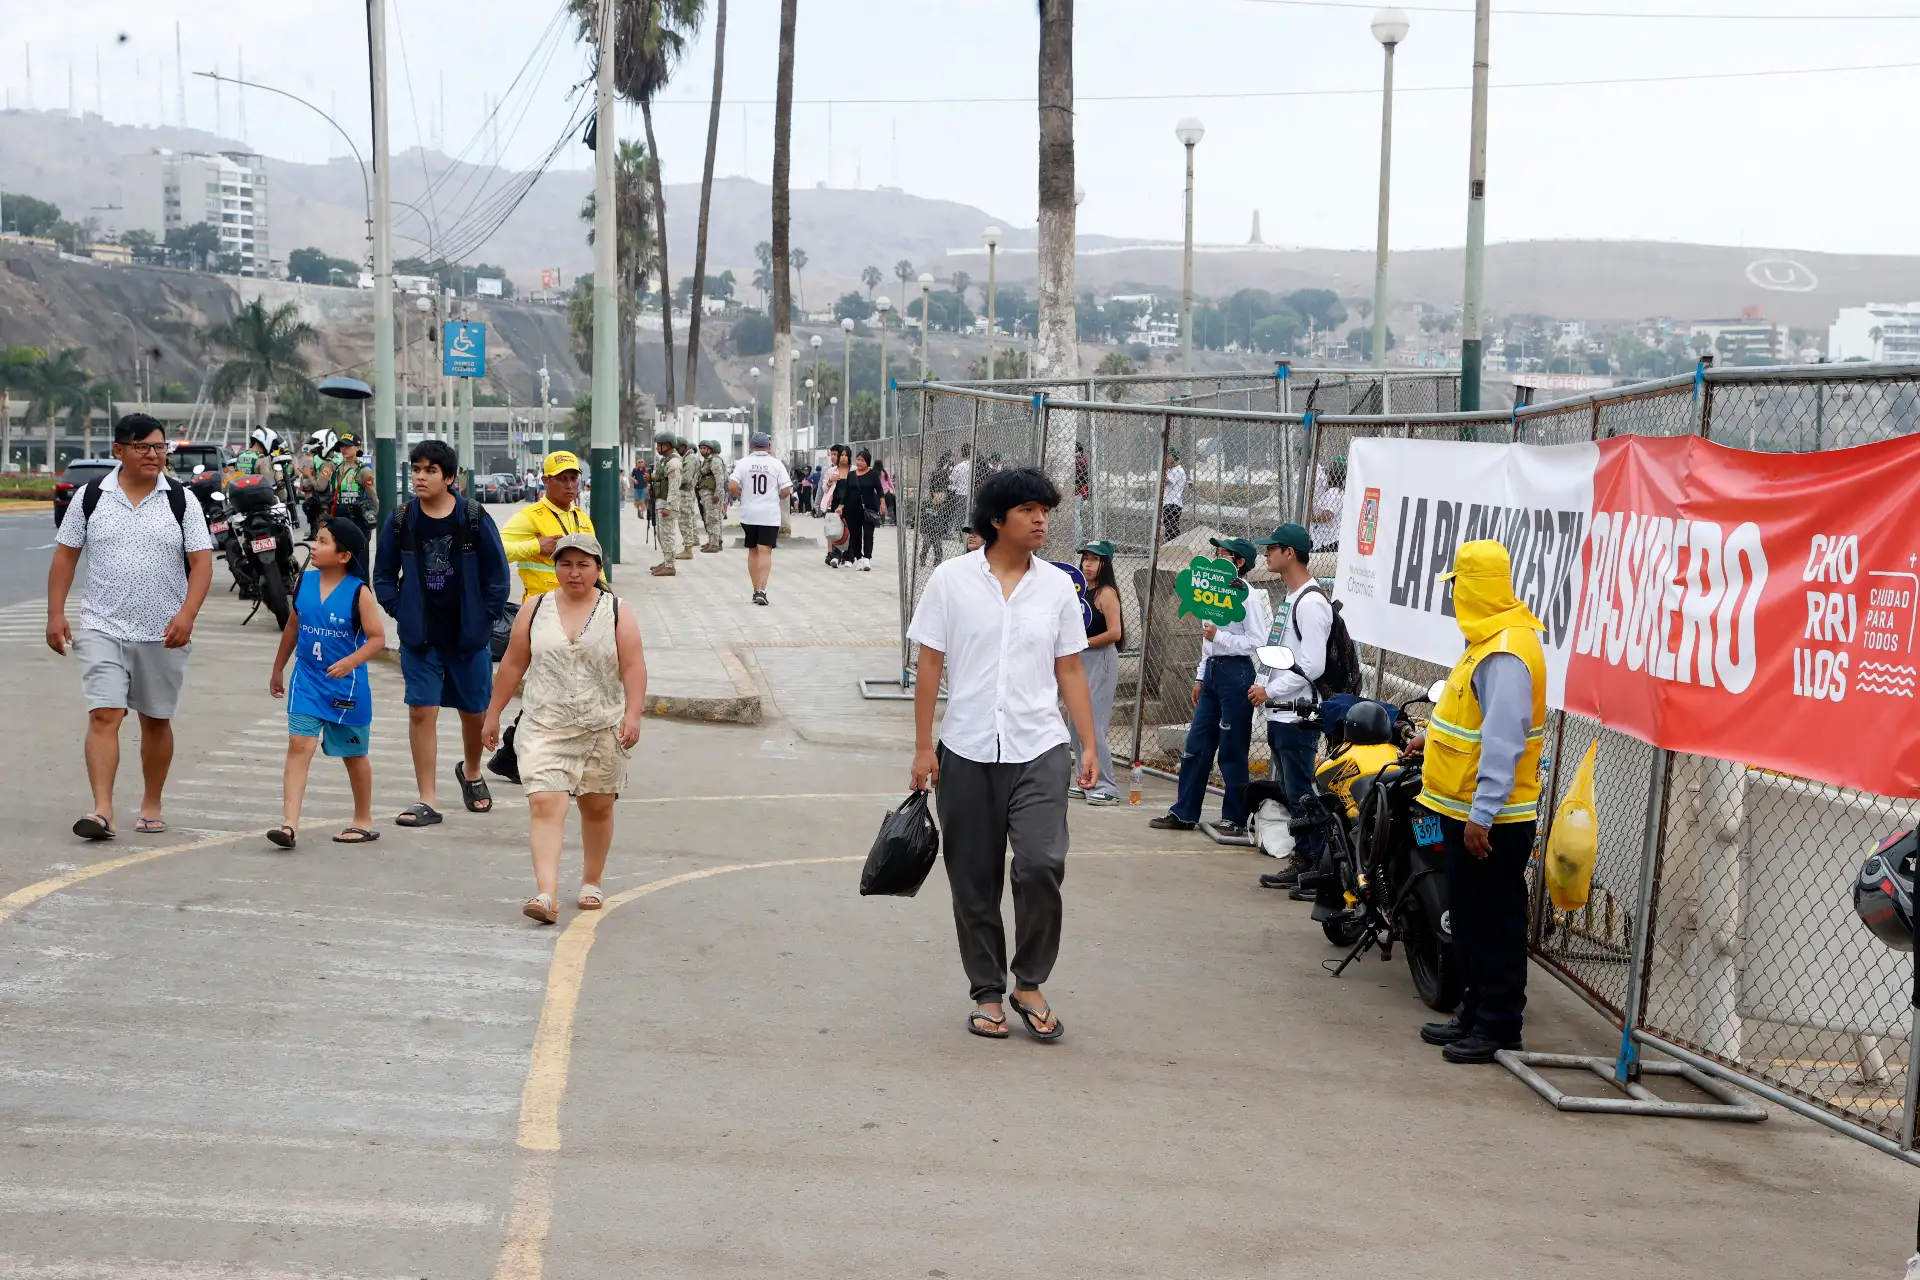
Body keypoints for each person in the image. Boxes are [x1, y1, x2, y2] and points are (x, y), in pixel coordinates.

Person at [908, 467, 1100, 1042]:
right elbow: (930, 664)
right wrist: (923, 747)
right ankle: (987, 991)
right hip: (965, 746)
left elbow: (1069, 667)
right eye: (1027, 510)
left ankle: (1030, 980)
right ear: (997, 520)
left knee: (1042, 863)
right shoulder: (949, 580)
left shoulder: (1059, 588)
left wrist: (1089, 744)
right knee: (973, 877)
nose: (1041, 519)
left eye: (1045, 510)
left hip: (1039, 744)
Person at [46, 412, 215, 840]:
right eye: (143, 447)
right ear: (119, 451)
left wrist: (187, 614)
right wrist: (55, 613)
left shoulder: (182, 500)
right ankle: (101, 811)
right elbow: (65, 556)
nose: (154, 455)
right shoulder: (90, 498)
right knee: (105, 713)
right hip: (102, 626)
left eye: (159, 447)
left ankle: (151, 802)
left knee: (155, 720)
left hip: (164, 632)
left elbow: (201, 563)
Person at [1414, 540, 1547, 1065]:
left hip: (1492, 818)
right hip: (1467, 811)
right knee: (1470, 919)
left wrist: (1481, 815)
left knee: (1496, 922)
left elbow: (1504, 741)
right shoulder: (1489, 640)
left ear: (1475, 588)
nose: (1453, 600)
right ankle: (1473, 1014)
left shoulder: (1505, 651)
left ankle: (1498, 1026)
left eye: (1457, 588)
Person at [483, 534, 647, 925]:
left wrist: (634, 715)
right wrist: (492, 713)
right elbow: (512, 664)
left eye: (583, 564)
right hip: (545, 724)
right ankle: (546, 894)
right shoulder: (534, 608)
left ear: (597, 569)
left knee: (597, 805)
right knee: (544, 803)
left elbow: (633, 667)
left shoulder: (618, 611)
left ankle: (591, 880)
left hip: (602, 726)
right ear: (555, 567)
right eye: (565, 564)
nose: (574, 572)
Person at [374, 439, 511, 827]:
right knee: (421, 710)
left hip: (468, 636)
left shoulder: (472, 517)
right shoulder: (401, 520)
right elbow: (383, 575)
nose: (420, 476)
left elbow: (498, 577)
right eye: (416, 469)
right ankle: (426, 799)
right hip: (421, 637)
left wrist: (483, 621)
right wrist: (402, 611)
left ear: (449, 478)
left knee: (474, 712)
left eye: (430, 470)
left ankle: (470, 772)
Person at [267, 517, 385, 847]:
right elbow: (293, 627)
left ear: (344, 555)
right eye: (315, 540)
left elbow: (377, 638)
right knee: (298, 745)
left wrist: (350, 662)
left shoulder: (359, 593)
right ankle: (289, 825)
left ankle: (363, 818)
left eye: (322, 542)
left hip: (345, 689)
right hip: (306, 681)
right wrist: (278, 669)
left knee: (354, 754)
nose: (314, 547)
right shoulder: (305, 582)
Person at [1149, 537, 1273, 838]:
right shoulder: (1211, 593)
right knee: (1196, 746)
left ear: (1239, 562)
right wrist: (1200, 676)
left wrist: (1221, 638)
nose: (1216, 558)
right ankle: (1184, 811)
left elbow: (1258, 640)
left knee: (1232, 750)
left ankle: (1234, 818)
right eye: (1216, 553)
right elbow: (1207, 640)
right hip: (1214, 673)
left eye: (1223, 555)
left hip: (1237, 672)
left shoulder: (1249, 597)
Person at [1248, 524, 1334, 892]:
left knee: (1302, 793)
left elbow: (1312, 665)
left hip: (1297, 713)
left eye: (1273, 548)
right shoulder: (1293, 598)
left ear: (1291, 554)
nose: (1266, 554)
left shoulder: (1312, 603)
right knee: (1291, 790)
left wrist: (1271, 690)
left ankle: (1315, 864)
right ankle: (1305, 858)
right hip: (1282, 712)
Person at [1067, 540, 1124, 806]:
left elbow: (1115, 633)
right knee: (1074, 722)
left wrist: (1084, 644)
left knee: (1094, 724)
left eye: (1094, 559)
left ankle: (1107, 786)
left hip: (1099, 658)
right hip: (1078, 659)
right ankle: (1085, 778)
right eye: (1085, 558)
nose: (1088, 564)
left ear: (1105, 563)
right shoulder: (1079, 591)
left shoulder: (1106, 593)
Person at [500, 451, 597, 600]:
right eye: (562, 479)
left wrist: (606, 603)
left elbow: (596, 566)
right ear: (546, 480)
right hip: (541, 609)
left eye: (573, 478)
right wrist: (536, 546)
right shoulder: (529, 517)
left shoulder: (582, 518)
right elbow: (493, 550)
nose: (570, 485)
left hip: (580, 609)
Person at [728, 432, 792, 606]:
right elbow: (786, 490)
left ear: (751, 446)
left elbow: (732, 484)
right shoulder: (776, 464)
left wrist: (741, 494)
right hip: (769, 514)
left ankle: (755, 588)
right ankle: (762, 589)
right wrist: (775, 497)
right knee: (765, 550)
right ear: (769, 447)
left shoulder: (744, 463)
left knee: (752, 550)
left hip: (748, 514)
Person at [831, 448, 883, 571]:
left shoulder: (872, 474)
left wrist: (882, 503)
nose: (859, 463)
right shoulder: (851, 475)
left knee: (868, 534)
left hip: (869, 509)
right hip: (852, 510)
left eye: (862, 460)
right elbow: (846, 493)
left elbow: (879, 490)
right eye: (858, 460)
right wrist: (841, 506)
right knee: (855, 535)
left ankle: (867, 558)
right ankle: (858, 557)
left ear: (867, 462)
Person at [318, 433, 379, 537]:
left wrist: (370, 522)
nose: (344, 449)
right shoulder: (337, 468)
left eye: (348, 446)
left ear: (358, 447)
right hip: (337, 520)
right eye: (342, 446)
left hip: (356, 523)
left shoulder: (363, 471)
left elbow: (373, 499)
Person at [650, 436, 684, 576]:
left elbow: (674, 487)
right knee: (661, 534)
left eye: (660, 445)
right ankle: (666, 560)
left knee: (667, 534)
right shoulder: (666, 461)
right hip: (661, 501)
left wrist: (669, 507)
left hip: (667, 503)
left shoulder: (674, 462)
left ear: (668, 445)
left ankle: (670, 566)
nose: (658, 447)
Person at [697, 439, 728, 553]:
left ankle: (714, 543)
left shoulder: (714, 460)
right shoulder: (709, 460)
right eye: (701, 448)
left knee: (713, 519)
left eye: (704, 448)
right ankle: (715, 541)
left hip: (712, 493)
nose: (702, 450)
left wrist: (717, 493)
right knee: (715, 518)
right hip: (709, 492)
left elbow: (719, 478)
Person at [1310, 458, 1347, 553]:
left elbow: (1328, 515)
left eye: (1328, 473)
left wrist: (1311, 517)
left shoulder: (1334, 492)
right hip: (1329, 541)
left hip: (1327, 542)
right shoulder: (1339, 492)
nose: (1326, 475)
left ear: (1331, 475)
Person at [675, 438, 701, 560]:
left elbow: (686, 478)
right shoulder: (688, 457)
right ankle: (688, 547)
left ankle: (688, 549)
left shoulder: (690, 459)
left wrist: (673, 480)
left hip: (685, 492)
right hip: (686, 492)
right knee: (687, 520)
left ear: (683, 447)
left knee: (684, 521)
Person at [1161, 448, 1187, 543]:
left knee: (1171, 528)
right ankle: (1175, 545)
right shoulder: (1170, 470)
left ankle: (1178, 545)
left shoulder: (1178, 470)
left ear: (1173, 457)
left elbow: (1167, 481)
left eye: (1168, 456)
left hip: (1174, 504)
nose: (1166, 458)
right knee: (1169, 528)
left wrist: (1163, 468)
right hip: (1168, 502)